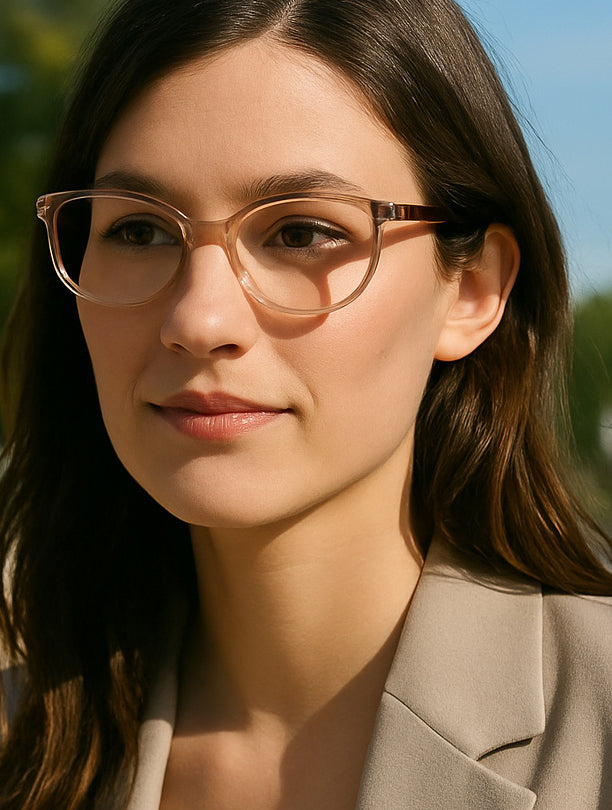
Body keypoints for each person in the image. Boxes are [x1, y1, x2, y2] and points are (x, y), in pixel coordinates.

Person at [0, 0, 611, 807]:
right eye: (140, 231)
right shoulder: (25, 744)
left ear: (472, 290)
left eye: (300, 233)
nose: (198, 320)